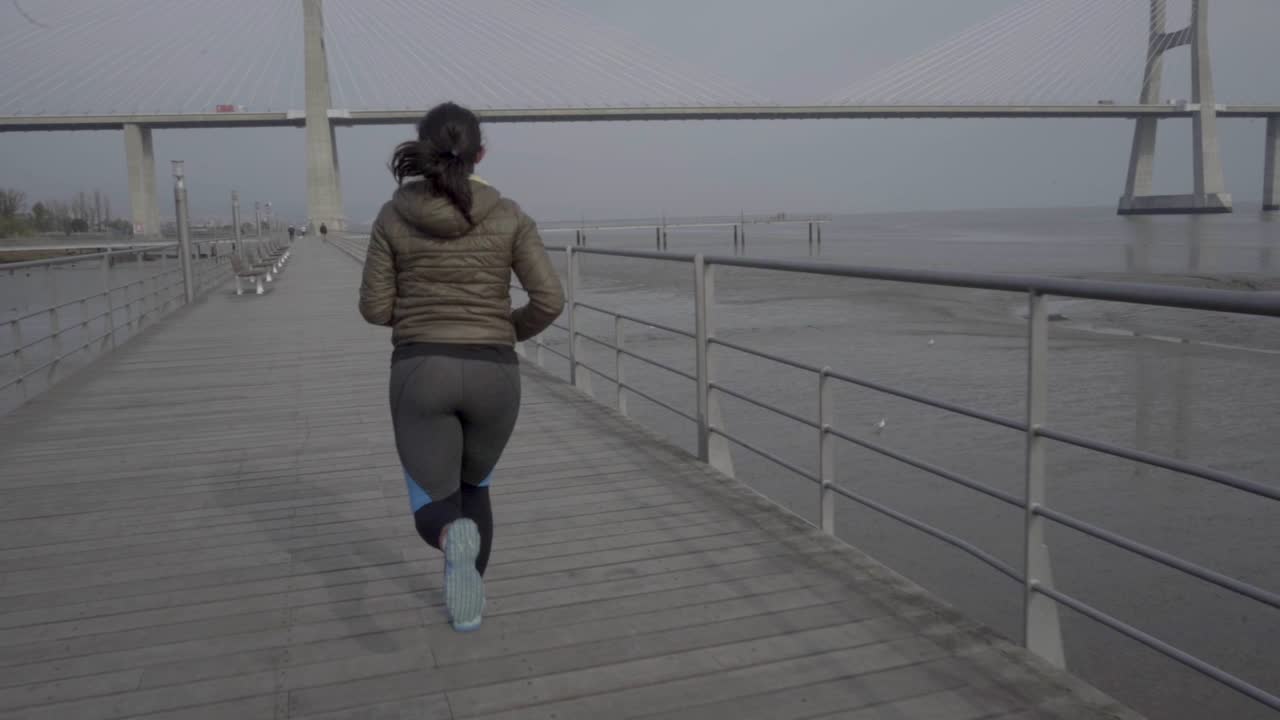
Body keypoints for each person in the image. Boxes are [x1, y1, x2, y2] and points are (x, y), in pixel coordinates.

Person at [358, 101, 564, 632]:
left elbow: (375, 309)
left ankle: (452, 542)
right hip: (496, 375)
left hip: (421, 371)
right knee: (477, 490)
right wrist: (504, 330)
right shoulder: (510, 214)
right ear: (480, 154)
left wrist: (422, 318)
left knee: (437, 503)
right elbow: (549, 299)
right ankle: (469, 602)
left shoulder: (390, 216)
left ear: (423, 151)